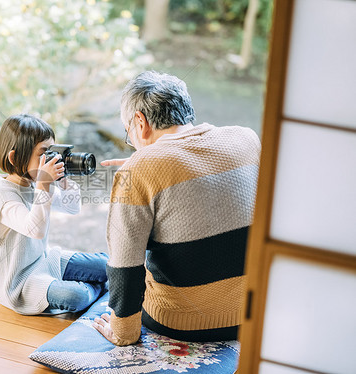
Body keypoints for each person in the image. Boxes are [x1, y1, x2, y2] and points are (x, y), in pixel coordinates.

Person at [93, 71, 261, 345]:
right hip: (253, 312)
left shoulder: (139, 169)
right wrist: (149, 164)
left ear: (140, 121)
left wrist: (123, 333)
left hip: (181, 323)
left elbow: (125, 264)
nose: (132, 144)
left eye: (128, 133)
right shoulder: (246, 139)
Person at [0, 114, 108, 315]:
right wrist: (43, 184)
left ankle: (99, 282)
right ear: (14, 158)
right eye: (44, 154)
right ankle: (99, 287)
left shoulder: (33, 183)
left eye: (52, 153)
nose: (50, 160)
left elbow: (72, 207)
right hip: (21, 281)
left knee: (105, 265)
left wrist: (62, 180)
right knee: (76, 297)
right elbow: (36, 230)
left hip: (45, 260)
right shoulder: (4, 196)